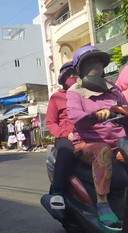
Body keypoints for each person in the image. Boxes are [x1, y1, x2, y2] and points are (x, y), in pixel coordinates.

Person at [67, 45, 127, 233]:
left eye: (98, 62)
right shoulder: (75, 91)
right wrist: (95, 114)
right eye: (90, 62)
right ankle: (102, 203)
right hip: (88, 143)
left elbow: (127, 107)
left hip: (119, 142)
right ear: (80, 69)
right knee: (102, 151)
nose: (96, 66)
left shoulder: (114, 88)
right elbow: (75, 116)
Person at [45, 61, 78, 211]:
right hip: (66, 137)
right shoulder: (56, 97)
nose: (73, 78)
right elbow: (51, 122)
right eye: (69, 75)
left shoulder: (86, 94)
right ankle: (57, 192)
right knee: (66, 152)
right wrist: (65, 133)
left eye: (75, 74)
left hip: (86, 134)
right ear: (62, 78)